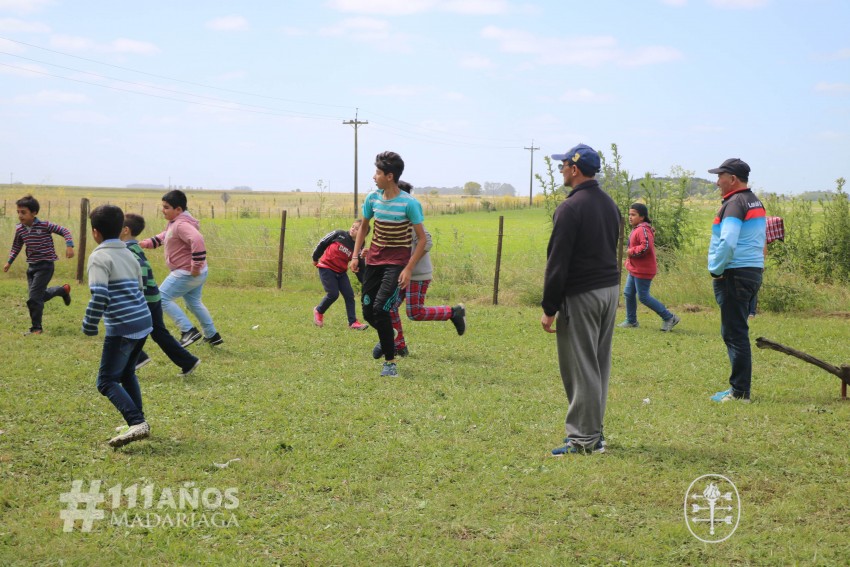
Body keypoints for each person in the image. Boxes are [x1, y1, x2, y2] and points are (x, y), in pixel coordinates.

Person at [541, 143, 621, 456]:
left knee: (580, 366)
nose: (561, 169)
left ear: (575, 169)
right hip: (608, 290)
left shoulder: (570, 208)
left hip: (583, 295)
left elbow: (557, 262)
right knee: (598, 364)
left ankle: (584, 440)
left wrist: (549, 308)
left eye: (563, 165)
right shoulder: (608, 203)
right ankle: (593, 434)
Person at [350, 151, 427, 378]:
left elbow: (422, 239)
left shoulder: (409, 203)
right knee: (366, 311)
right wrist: (355, 256)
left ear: (390, 176)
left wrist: (409, 268)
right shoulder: (372, 199)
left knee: (381, 308)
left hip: (396, 264)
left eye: (378, 173)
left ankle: (390, 363)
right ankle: (389, 334)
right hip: (373, 261)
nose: (374, 177)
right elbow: (363, 227)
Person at [82, 205, 153, 448]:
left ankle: (136, 422)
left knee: (106, 381)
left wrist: (90, 324)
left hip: (123, 327)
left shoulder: (99, 257)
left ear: (95, 232)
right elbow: (140, 288)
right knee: (126, 373)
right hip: (143, 321)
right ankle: (139, 421)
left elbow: (99, 295)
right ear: (121, 230)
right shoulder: (130, 254)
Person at [371, 181, 466, 359]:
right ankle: (398, 345)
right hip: (398, 274)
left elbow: (427, 242)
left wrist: (409, 266)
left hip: (417, 275)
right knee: (389, 308)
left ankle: (454, 312)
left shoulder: (412, 221)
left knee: (414, 313)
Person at [706, 158, 766, 403]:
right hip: (752, 271)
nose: (717, 181)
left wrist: (715, 268)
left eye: (720, 176)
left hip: (734, 273)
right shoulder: (754, 201)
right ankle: (738, 388)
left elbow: (728, 242)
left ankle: (740, 392)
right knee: (736, 330)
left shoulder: (734, 203)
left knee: (734, 333)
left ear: (732, 178)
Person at [121, 213, 201, 376]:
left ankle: (138, 359)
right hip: (152, 296)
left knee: (126, 327)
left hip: (146, 298)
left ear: (125, 230)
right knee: (158, 332)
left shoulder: (128, 250)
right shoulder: (133, 246)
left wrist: (137, 294)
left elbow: (141, 269)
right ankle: (188, 361)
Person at [140, 190, 222, 347]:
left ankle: (188, 331)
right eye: (163, 206)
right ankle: (212, 335)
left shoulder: (181, 224)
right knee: (194, 303)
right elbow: (168, 234)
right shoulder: (177, 223)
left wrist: (195, 266)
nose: (163, 210)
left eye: (166, 207)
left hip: (187, 273)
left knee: (161, 298)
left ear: (178, 209)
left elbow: (197, 239)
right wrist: (150, 242)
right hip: (196, 273)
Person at [4, 195, 74, 335]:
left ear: (34, 213)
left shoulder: (45, 225)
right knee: (37, 296)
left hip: (46, 266)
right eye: (18, 212)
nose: (20, 215)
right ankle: (62, 290)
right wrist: (9, 262)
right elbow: (16, 246)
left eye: (23, 212)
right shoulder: (20, 229)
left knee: (34, 298)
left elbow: (64, 231)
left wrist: (69, 246)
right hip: (32, 267)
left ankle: (36, 328)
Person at [618, 202, 680, 331]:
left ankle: (669, 317)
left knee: (644, 297)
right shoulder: (637, 229)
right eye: (629, 214)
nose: (630, 217)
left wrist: (631, 251)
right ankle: (631, 321)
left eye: (633, 215)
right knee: (628, 293)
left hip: (643, 270)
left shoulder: (643, 230)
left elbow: (645, 247)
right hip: (634, 269)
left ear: (642, 217)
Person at [312, 219, 370, 330]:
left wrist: (365, 281)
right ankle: (319, 311)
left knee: (349, 295)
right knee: (333, 294)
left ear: (363, 234)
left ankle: (353, 323)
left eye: (357, 229)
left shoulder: (359, 245)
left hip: (341, 272)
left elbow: (359, 264)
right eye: (353, 226)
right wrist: (315, 257)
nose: (353, 229)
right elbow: (322, 242)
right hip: (326, 267)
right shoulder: (339, 234)